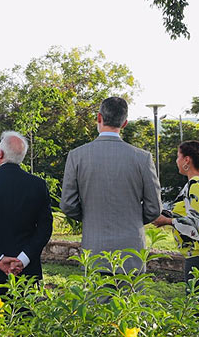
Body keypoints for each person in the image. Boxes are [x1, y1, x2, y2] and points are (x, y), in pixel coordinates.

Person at [60, 97, 162, 275]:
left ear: (99, 118)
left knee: (96, 301)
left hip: (94, 249)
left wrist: (90, 218)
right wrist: (132, 220)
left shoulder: (77, 156)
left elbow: (68, 205)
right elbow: (154, 208)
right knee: (129, 302)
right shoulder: (142, 158)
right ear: (125, 123)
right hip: (131, 251)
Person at [0, 131, 53, 297]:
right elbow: (45, 229)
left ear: (0, 154)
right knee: (25, 320)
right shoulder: (38, 185)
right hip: (25, 272)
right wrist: (23, 259)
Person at [153, 140, 199, 320]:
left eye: (178, 156)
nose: (176, 160)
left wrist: (167, 220)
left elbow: (194, 224)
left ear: (187, 160)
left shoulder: (195, 185)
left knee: (198, 308)